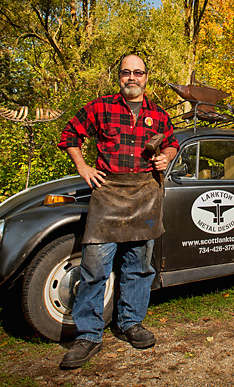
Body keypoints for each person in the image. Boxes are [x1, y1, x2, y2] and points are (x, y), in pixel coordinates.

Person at [57, 54, 179, 369]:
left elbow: (172, 143)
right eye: (126, 72)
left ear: (146, 77)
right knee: (95, 267)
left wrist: (165, 156)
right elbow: (70, 134)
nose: (132, 77)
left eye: (138, 72)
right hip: (107, 194)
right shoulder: (100, 107)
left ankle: (130, 323)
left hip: (145, 195)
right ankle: (88, 335)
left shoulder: (159, 114)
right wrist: (83, 166)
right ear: (119, 76)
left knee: (139, 267)